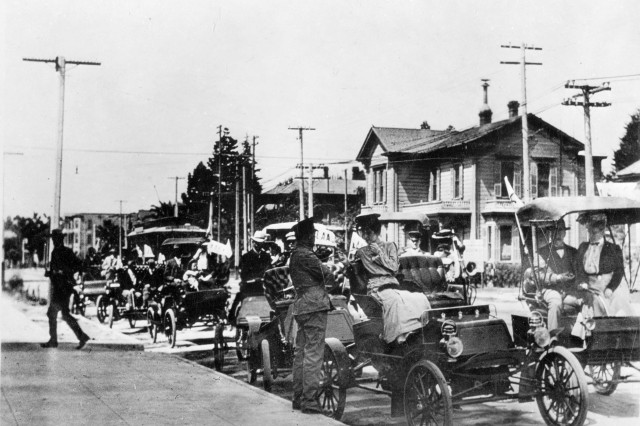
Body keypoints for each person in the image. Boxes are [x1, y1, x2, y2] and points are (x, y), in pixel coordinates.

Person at [354, 213, 431, 344]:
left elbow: (394, 268)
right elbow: (358, 271)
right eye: (364, 233)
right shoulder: (361, 252)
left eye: (369, 233)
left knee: (419, 298)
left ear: (376, 232)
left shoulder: (390, 246)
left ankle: (418, 329)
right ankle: (398, 335)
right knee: (395, 301)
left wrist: (380, 253)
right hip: (376, 287)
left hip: (393, 283)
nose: (366, 237)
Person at [290, 217, 332, 414]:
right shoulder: (307, 255)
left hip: (302, 307)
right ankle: (310, 401)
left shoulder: (296, 254)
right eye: (313, 234)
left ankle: (298, 397)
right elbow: (325, 274)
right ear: (307, 236)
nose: (315, 237)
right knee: (314, 354)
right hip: (314, 307)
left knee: (301, 353)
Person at [41, 229, 90, 349]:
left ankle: (54, 340)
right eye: (53, 238)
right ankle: (81, 336)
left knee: (54, 313)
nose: (53, 240)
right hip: (59, 287)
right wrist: (50, 273)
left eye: (55, 238)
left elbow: (78, 264)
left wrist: (65, 272)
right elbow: (54, 271)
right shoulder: (54, 252)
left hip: (63, 287)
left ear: (60, 239)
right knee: (63, 314)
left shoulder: (66, 252)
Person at [534, 220, 582, 330]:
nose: (557, 235)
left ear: (564, 233)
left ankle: (582, 338)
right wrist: (558, 277)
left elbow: (579, 272)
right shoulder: (541, 252)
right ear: (550, 234)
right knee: (556, 302)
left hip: (568, 291)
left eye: (560, 231)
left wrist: (580, 282)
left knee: (586, 300)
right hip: (547, 290)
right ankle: (552, 339)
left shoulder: (573, 252)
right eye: (554, 231)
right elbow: (538, 275)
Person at [576, 213, 624, 317]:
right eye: (590, 232)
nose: (592, 236)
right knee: (592, 301)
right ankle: (595, 329)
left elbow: (619, 272)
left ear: (602, 231)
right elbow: (578, 269)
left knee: (617, 305)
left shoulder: (613, 249)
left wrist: (611, 288)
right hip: (589, 286)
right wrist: (581, 282)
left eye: (595, 232)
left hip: (607, 286)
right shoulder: (583, 247)